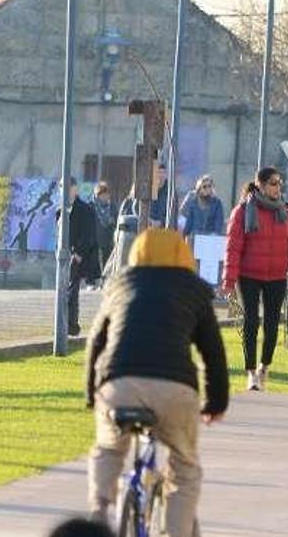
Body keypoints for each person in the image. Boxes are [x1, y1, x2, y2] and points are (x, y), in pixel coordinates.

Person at [86, 228, 228, 537]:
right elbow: (213, 353)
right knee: (184, 468)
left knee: (109, 449)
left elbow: (96, 341)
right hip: (175, 390)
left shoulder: (121, 284)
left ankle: (98, 512)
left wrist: (91, 392)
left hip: (119, 383)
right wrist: (216, 403)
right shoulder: (194, 289)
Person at [222, 168, 288, 392]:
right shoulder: (242, 212)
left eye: (279, 183)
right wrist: (229, 281)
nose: (278, 188)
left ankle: (264, 366)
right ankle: (251, 372)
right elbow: (233, 248)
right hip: (249, 275)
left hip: (276, 276)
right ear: (260, 185)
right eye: (273, 183)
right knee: (250, 322)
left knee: (272, 324)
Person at [63, 178, 100, 336]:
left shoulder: (85, 209)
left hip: (78, 256)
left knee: (72, 290)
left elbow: (89, 234)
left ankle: (71, 324)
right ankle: (67, 324)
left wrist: (78, 254)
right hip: (64, 257)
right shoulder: (61, 210)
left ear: (75, 189)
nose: (63, 191)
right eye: (61, 187)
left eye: (67, 187)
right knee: (65, 291)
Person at [179, 174, 225, 238]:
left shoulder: (217, 203)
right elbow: (182, 219)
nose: (207, 189)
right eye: (204, 186)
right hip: (191, 238)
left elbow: (218, 225)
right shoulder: (191, 198)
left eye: (210, 186)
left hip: (208, 240)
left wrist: (213, 237)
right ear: (199, 188)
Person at [89, 182, 116, 284]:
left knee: (107, 261)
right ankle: (92, 282)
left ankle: (105, 281)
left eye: (107, 194)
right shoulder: (91, 206)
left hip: (108, 239)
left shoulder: (112, 207)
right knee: (94, 261)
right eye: (103, 194)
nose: (105, 197)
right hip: (94, 239)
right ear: (98, 195)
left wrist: (112, 221)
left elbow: (116, 220)